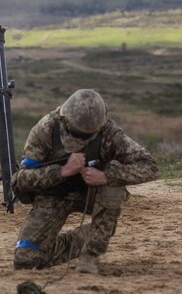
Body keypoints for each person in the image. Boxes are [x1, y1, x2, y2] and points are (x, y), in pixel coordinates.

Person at [11, 89, 159, 274]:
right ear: (63, 119)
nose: (79, 140)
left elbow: (150, 166)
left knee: (113, 187)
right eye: (75, 134)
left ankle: (91, 252)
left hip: (92, 193)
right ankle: (82, 238)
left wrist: (105, 176)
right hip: (54, 194)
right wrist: (62, 171)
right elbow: (22, 179)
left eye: (86, 136)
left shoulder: (109, 133)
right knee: (26, 261)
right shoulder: (45, 129)